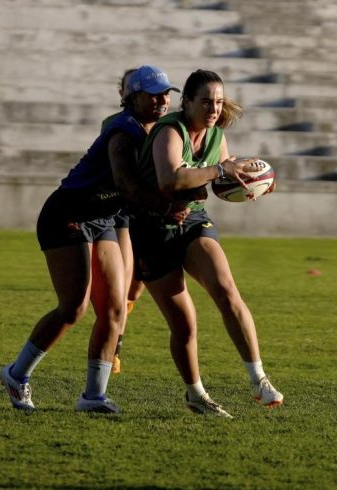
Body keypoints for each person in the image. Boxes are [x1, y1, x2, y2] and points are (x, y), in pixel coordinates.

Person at [0, 66, 180, 413]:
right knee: (73, 307)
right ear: (132, 98)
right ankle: (16, 374)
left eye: (165, 93)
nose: (162, 100)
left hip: (104, 217)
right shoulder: (123, 131)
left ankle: (93, 396)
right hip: (67, 214)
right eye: (153, 93)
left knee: (114, 309)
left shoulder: (158, 131)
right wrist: (167, 205)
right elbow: (127, 185)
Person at [129, 69, 284, 418]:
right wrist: (222, 170)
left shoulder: (216, 135)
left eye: (218, 101)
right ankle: (196, 393)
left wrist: (252, 183)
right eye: (206, 101)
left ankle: (259, 379)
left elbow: (217, 184)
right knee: (184, 324)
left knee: (227, 290)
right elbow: (172, 179)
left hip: (193, 221)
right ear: (187, 102)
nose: (214, 108)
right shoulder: (171, 131)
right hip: (151, 230)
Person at [101, 68, 148, 375]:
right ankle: (113, 347)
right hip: (123, 208)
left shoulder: (164, 126)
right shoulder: (115, 125)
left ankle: (116, 337)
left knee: (138, 284)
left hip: (150, 210)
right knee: (125, 281)